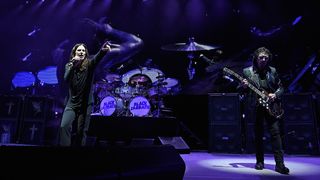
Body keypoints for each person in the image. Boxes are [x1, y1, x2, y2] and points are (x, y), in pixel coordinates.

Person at [57, 21, 143, 146]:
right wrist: (110, 31)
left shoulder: (61, 58)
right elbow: (138, 43)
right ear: (93, 36)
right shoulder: (100, 58)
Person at [240, 47, 290, 174]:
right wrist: (244, 87)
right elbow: (241, 91)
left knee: (276, 134)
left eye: (266, 58)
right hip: (256, 107)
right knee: (258, 135)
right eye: (261, 57)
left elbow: (281, 87)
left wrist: (275, 95)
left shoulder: (272, 71)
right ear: (256, 58)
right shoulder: (247, 72)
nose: (263, 60)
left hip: (271, 107)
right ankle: (259, 162)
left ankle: (280, 165)